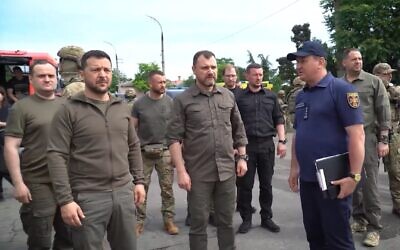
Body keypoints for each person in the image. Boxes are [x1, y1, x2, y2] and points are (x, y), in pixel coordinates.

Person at [47, 50, 146, 250]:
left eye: (107, 70)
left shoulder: (121, 107)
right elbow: (56, 155)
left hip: (123, 193)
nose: (102, 74)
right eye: (96, 70)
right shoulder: (68, 110)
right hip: (88, 197)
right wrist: (65, 200)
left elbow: (133, 146)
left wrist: (139, 181)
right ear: (82, 74)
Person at [287, 40, 365, 250]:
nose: (298, 66)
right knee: (315, 237)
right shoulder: (302, 94)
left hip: (334, 179)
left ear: (320, 62)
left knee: (338, 241)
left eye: (303, 60)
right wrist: (295, 167)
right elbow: (298, 134)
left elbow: (357, 135)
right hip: (308, 180)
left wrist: (354, 176)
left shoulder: (340, 89)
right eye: (297, 62)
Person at [167, 50, 248, 250]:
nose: (210, 71)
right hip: (198, 174)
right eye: (205, 67)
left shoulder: (227, 96)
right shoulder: (183, 100)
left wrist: (242, 157)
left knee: (226, 222)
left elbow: (238, 129)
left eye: (213, 67)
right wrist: (182, 171)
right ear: (194, 70)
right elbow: (173, 138)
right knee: (198, 224)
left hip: (226, 171)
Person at [4, 60, 72, 249]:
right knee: (40, 236)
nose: (47, 79)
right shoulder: (21, 108)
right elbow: (11, 146)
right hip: (38, 181)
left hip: (67, 180)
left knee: (69, 234)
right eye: (41, 76)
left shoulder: (67, 105)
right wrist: (18, 184)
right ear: (31, 80)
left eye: (51, 75)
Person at [342, 48, 391, 247]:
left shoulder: (373, 81)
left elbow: (383, 110)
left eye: (360, 58)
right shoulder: (338, 84)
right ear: (344, 62)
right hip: (344, 140)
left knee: (369, 184)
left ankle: (374, 228)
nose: (358, 62)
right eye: (354, 59)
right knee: (352, 179)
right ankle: (359, 219)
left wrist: (383, 140)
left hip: (368, 138)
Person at [235, 63, 286, 234]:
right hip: (247, 146)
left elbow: (279, 118)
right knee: (245, 185)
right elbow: (232, 123)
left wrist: (282, 141)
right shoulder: (239, 97)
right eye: (255, 74)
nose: (258, 77)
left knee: (266, 184)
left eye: (261, 74)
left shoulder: (271, 97)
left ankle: (267, 218)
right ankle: (246, 218)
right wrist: (235, 147)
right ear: (247, 76)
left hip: (266, 145)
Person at [132, 70, 179, 236]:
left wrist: (177, 151)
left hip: (165, 151)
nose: (163, 85)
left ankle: (169, 220)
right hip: (144, 152)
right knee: (140, 188)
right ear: (150, 84)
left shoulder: (170, 102)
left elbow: (176, 128)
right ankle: (138, 222)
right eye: (159, 82)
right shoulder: (139, 104)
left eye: (164, 82)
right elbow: (132, 129)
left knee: (167, 188)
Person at [372, 62, 400, 218]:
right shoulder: (370, 89)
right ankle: (368, 210)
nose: (390, 76)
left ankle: (398, 205)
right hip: (372, 135)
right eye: (386, 73)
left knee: (396, 171)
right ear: (377, 76)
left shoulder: (393, 90)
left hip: (392, 135)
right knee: (369, 174)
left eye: (391, 73)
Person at [0, 86, 11, 200]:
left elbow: (11, 123)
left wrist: (2, 124)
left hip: (4, 135)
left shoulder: (8, 108)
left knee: (5, 166)